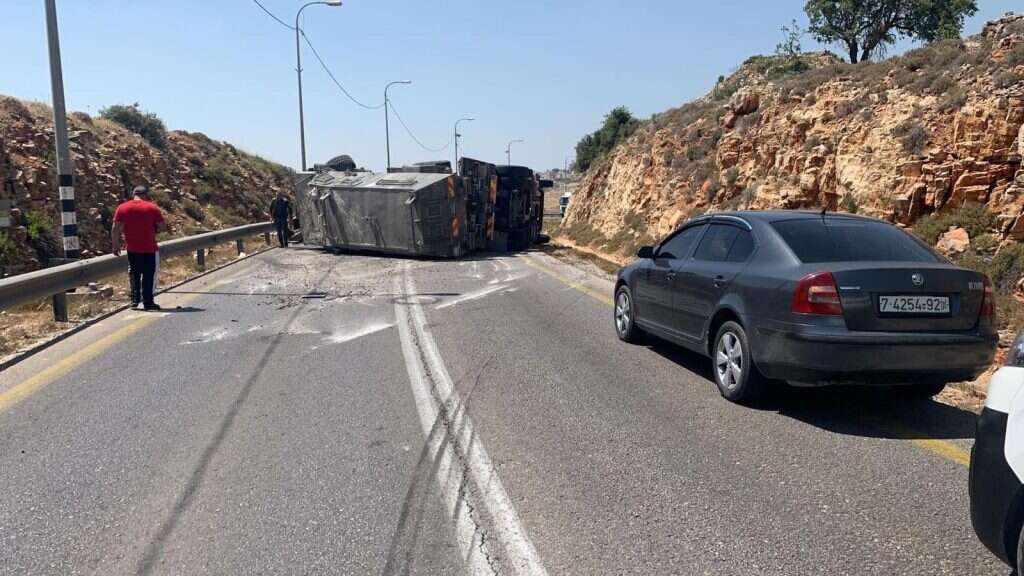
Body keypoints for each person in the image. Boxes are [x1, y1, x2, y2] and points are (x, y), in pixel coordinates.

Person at [112, 185, 165, 310]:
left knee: (134, 273)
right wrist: (153, 229)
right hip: (149, 247)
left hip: (132, 248)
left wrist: (115, 245)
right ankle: (148, 302)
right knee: (148, 274)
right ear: (146, 195)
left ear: (133, 194)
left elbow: (115, 229)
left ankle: (134, 301)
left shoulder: (122, 207)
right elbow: (162, 226)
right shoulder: (152, 208)